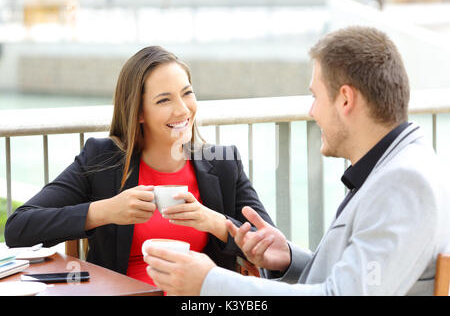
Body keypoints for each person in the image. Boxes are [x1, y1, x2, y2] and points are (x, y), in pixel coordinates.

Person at [142, 26, 450, 295]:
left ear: (345, 99)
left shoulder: (403, 183)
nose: (311, 112)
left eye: (315, 97)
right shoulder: (400, 168)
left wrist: (209, 283)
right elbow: (357, 281)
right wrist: (289, 259)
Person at [4, 46, 274, 286]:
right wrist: (106, 211)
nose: (183, 110)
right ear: (139, 112)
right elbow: (18, 228)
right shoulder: (101, 159)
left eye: (187, 93)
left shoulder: (223, 164)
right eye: (164, 100)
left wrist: (214, 221)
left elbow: (273, 248)